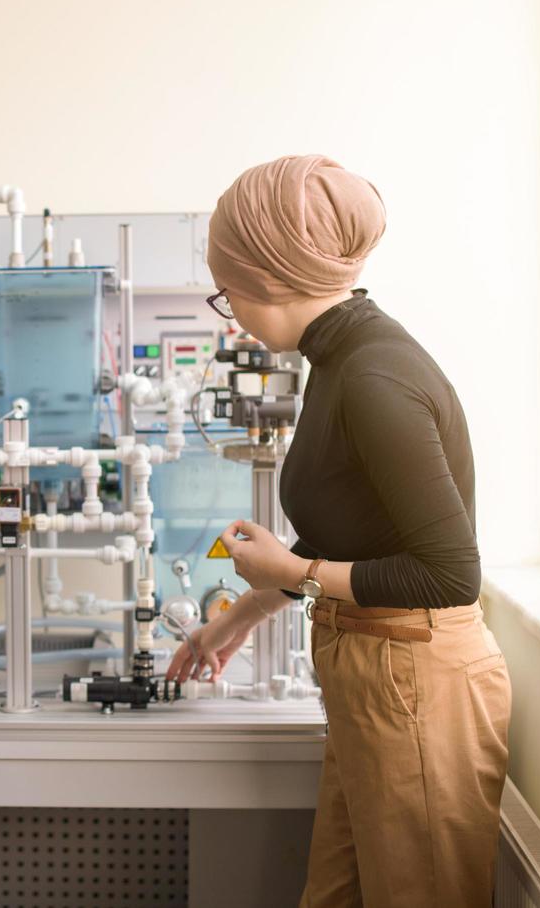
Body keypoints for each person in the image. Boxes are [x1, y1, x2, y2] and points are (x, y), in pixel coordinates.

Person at [167, 155, 511, 908]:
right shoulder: (336, 356)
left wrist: (291, 573)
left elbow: (449, 575)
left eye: (228, 294)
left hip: (414, 677)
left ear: (272, 278)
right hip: (373, 669)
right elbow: (362, 538)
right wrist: (243, 616)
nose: (231, 314)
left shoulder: (373, 375)